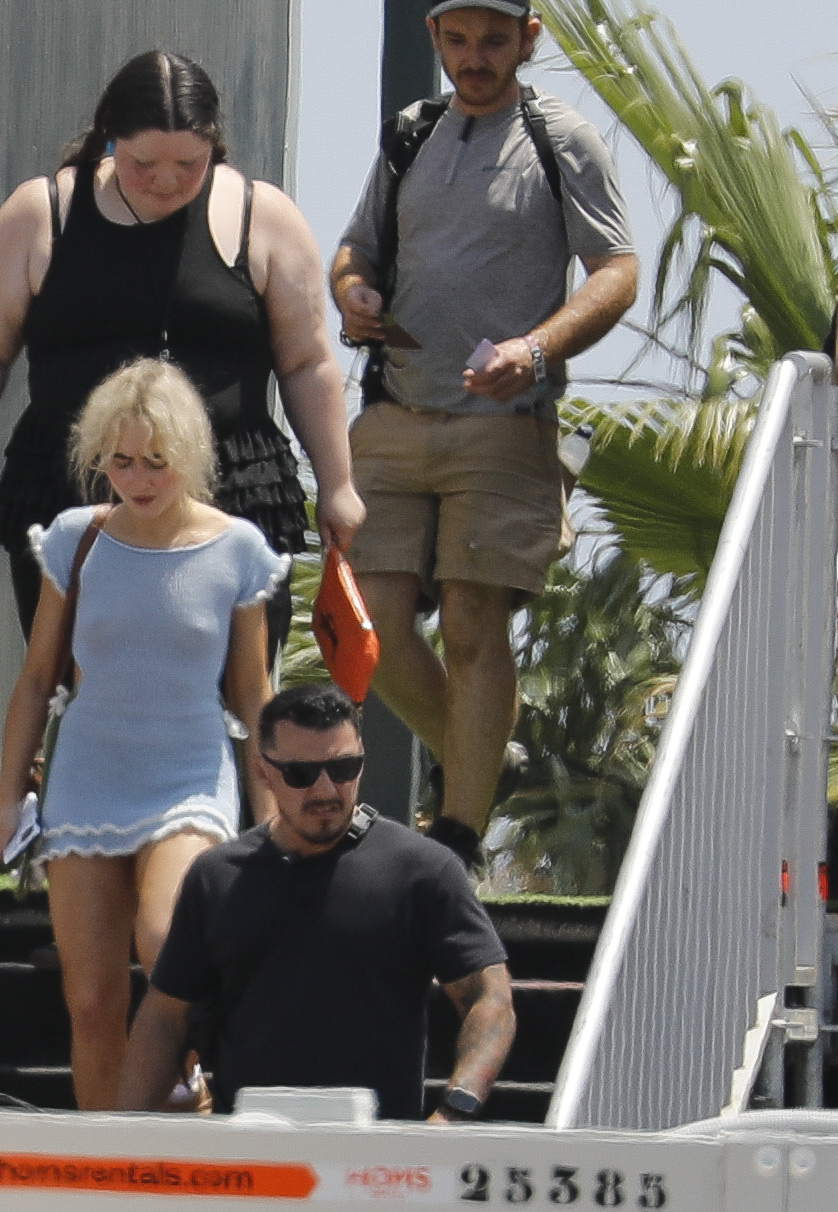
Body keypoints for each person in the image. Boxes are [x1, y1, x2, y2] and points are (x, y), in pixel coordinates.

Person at [330, 0, 639, 867]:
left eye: (494, 41)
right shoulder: (410, 132)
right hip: (393, 413)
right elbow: (353, 250)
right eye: (458, 40)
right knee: (369, 626)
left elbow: (616, 270)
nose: (474, 57)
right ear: (434, 36)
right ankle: (484, 756)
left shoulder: (560, 138)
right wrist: (351, 295)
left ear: (528, 40)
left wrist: (535, 350)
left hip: (504, 425)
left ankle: (457, 840)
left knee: (472, 624)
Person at [0, 48, 362, 653]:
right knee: (78, 683)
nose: (167, 180)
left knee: (234, 691)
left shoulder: (264, 217)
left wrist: (338, 484)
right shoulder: (41, 213)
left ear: (215, 145)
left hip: (230, 491)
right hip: (74, 489)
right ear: (109, 141)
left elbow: (306, 362)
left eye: (189, 163)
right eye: (143, 163)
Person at [0, 358, 287, 1110]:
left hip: (190, 772)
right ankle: (104, 1160)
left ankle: (190, 1089)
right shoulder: (75, 538)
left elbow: (253, 697)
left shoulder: (237, 548)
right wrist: (8, 796)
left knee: (164, 941)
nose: (137, 478)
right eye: (120, 461)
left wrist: (274, 819)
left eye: (156, 460)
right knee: (90, 1002)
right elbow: (37, 678)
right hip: (88, 771)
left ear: (191, 453)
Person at [117, 683, 517, 1121]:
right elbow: (165, 1016)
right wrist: (126, 1133)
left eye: (344, 768)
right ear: (263, 772)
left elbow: (490, 998)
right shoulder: (217, 876)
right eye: (301, 774)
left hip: (374, 1151)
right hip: (251, 1147)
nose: (326, 789)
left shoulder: (422, 869)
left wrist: (456, 1110)